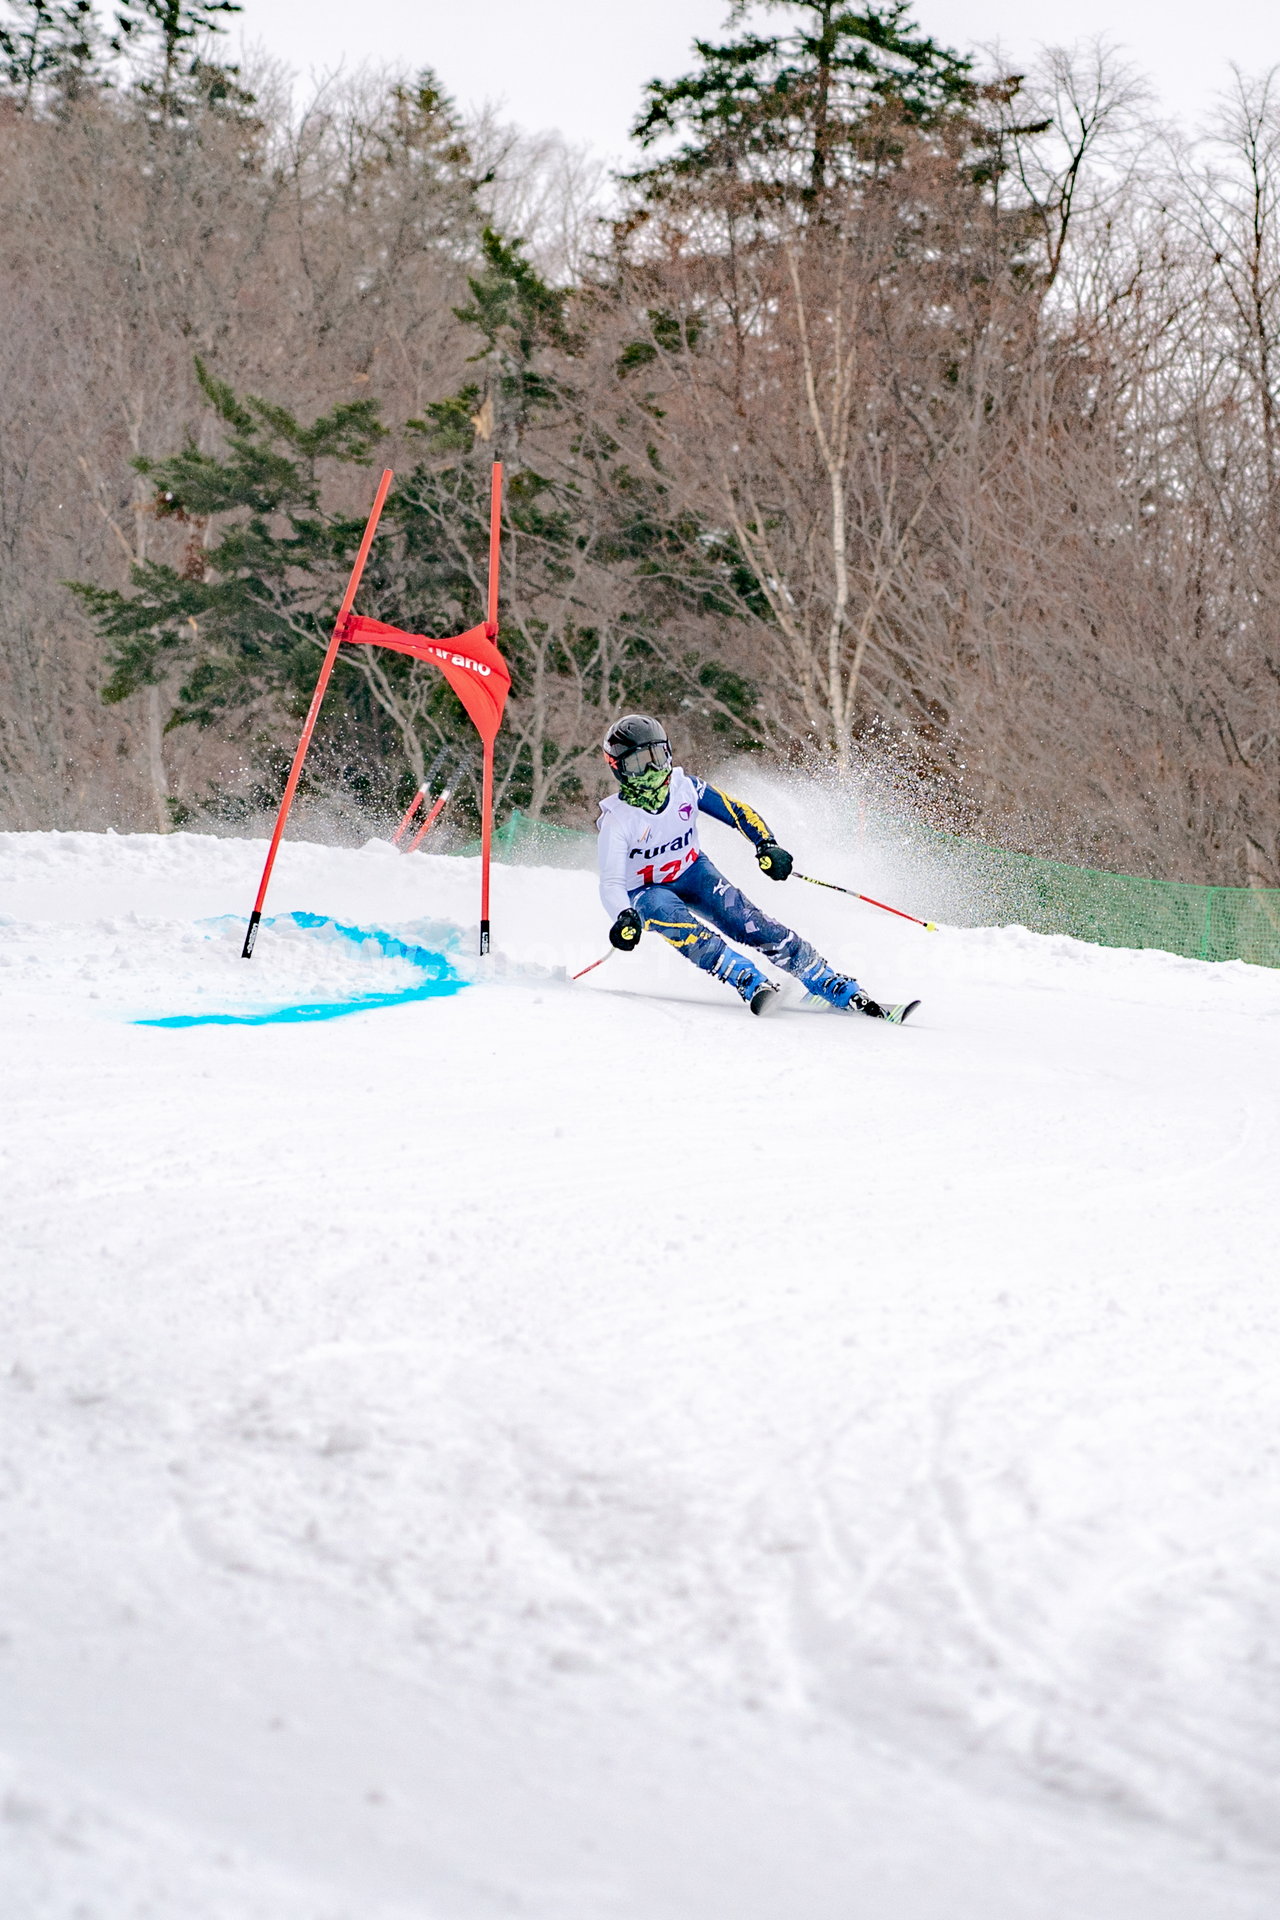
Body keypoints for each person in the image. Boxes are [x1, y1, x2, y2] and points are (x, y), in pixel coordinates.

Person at [596, 714, 917, 1020]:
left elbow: (737, 812)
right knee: (670, 914)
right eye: (639, 763)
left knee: (747, 921)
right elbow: (610, 883)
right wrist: (623, 916)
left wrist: (766, 844)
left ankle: (824, 980)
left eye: (657, 755)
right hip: (645, 892)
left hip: (692, 872)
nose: (653, 768)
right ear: (620, 770)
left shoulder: (686, 788)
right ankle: (745, 978)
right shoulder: (618, 821)